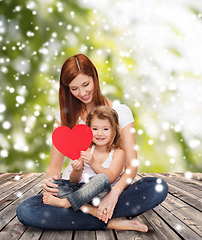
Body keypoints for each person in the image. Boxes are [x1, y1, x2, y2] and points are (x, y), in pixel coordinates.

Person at [17, 54, 168, 231]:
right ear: (67, 89)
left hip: (109, 190)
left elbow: (131, 167)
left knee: (157, 187)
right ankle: (107, 220)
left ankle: (90, 212)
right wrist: (50, 182)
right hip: (73, 188)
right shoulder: (64, 116)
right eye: (74, 88)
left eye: (86, 84)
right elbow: (54, 167)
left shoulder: (121, 112)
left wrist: (113, 195)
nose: (82, 93)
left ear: (94, 78)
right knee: (25, 210)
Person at [43, 106, 124, 214]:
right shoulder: (87, 149)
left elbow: (111, 178)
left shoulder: (118, 153)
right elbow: (74, 181)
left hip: (99, 195)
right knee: (53, 183)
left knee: (102, 179)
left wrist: (93, 163)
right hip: (79, 190)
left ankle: (66, 203)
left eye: (105, 129)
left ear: (114, 130)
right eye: (95, 129)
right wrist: (77, 170)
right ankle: (85, 207)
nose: (99, 133)